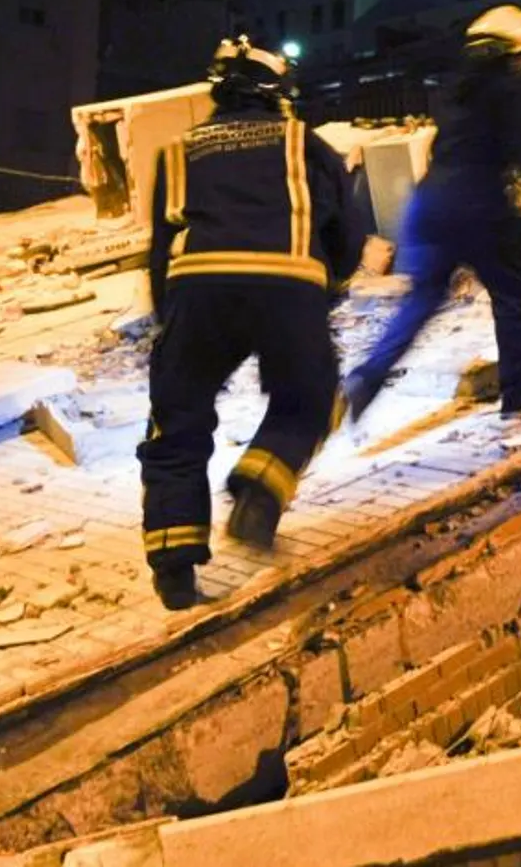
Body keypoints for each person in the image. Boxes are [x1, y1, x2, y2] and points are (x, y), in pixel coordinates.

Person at [139, 36, 364, 610]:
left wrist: (174, 325)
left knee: (178, 418)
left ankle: (174, 563)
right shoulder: (303, 144)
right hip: (288, 287)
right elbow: (348, 232)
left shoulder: (177, 151)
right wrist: (329, 284)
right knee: (310, 397)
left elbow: (160, 250)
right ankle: (261, 486)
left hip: (199, 290)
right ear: (278, 94)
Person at [342, 5, 521, 425]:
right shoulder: (506, 88)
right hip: (480, 204)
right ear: (507, 51)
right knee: (512, 294)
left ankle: (367, 377)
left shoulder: (454, 91)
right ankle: (520, 393)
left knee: (421, 299)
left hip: (428, 206)